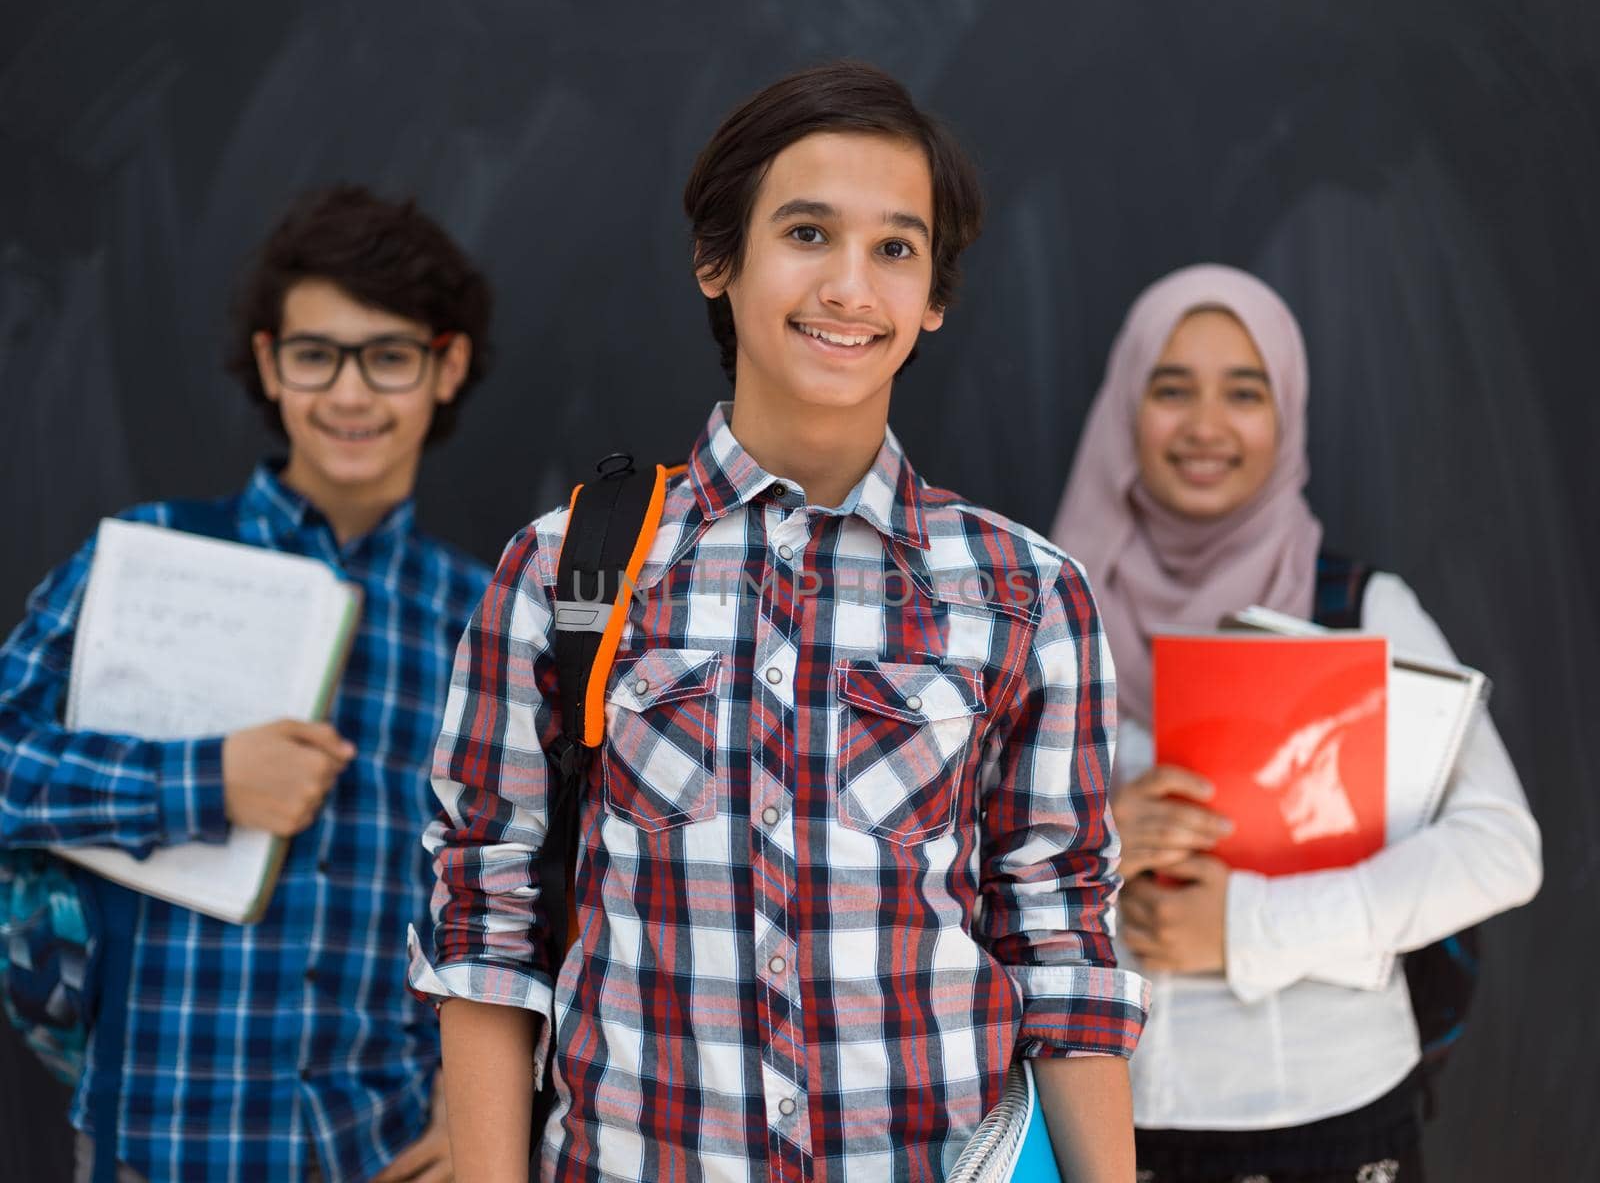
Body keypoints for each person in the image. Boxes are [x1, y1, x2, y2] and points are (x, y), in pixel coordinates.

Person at [410, 61, 1149, 1182]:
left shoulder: (1023, 591)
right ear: (718, 260)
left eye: (895, 249)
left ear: (935, 299)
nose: (850, 287)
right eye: (807, 232)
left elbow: (1062, 942)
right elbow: (486, 908)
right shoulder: (567, 567)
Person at [0, 185, 495, 1182]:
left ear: (446, 368)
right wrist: (208, 781)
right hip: (166, 1137)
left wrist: (470, 1100)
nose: (349, 396)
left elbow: (516, 891)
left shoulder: (484, 618)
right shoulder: (141, 560)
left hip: (386, 1146)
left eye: (389, 356)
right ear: (271, 364)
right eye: (316, 355)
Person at [1049, 263, 1543, 1183]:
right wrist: (1100, 841)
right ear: (1125, 410)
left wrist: (1248, 927)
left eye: (1245, 391)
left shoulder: (1359, 610)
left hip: (1339, 1114)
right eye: (1170, 389)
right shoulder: (1044, 617)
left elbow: (1501, 848)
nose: (1205, 426)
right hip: (1107, 1124)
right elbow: (946, 872)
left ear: (1287, 413)